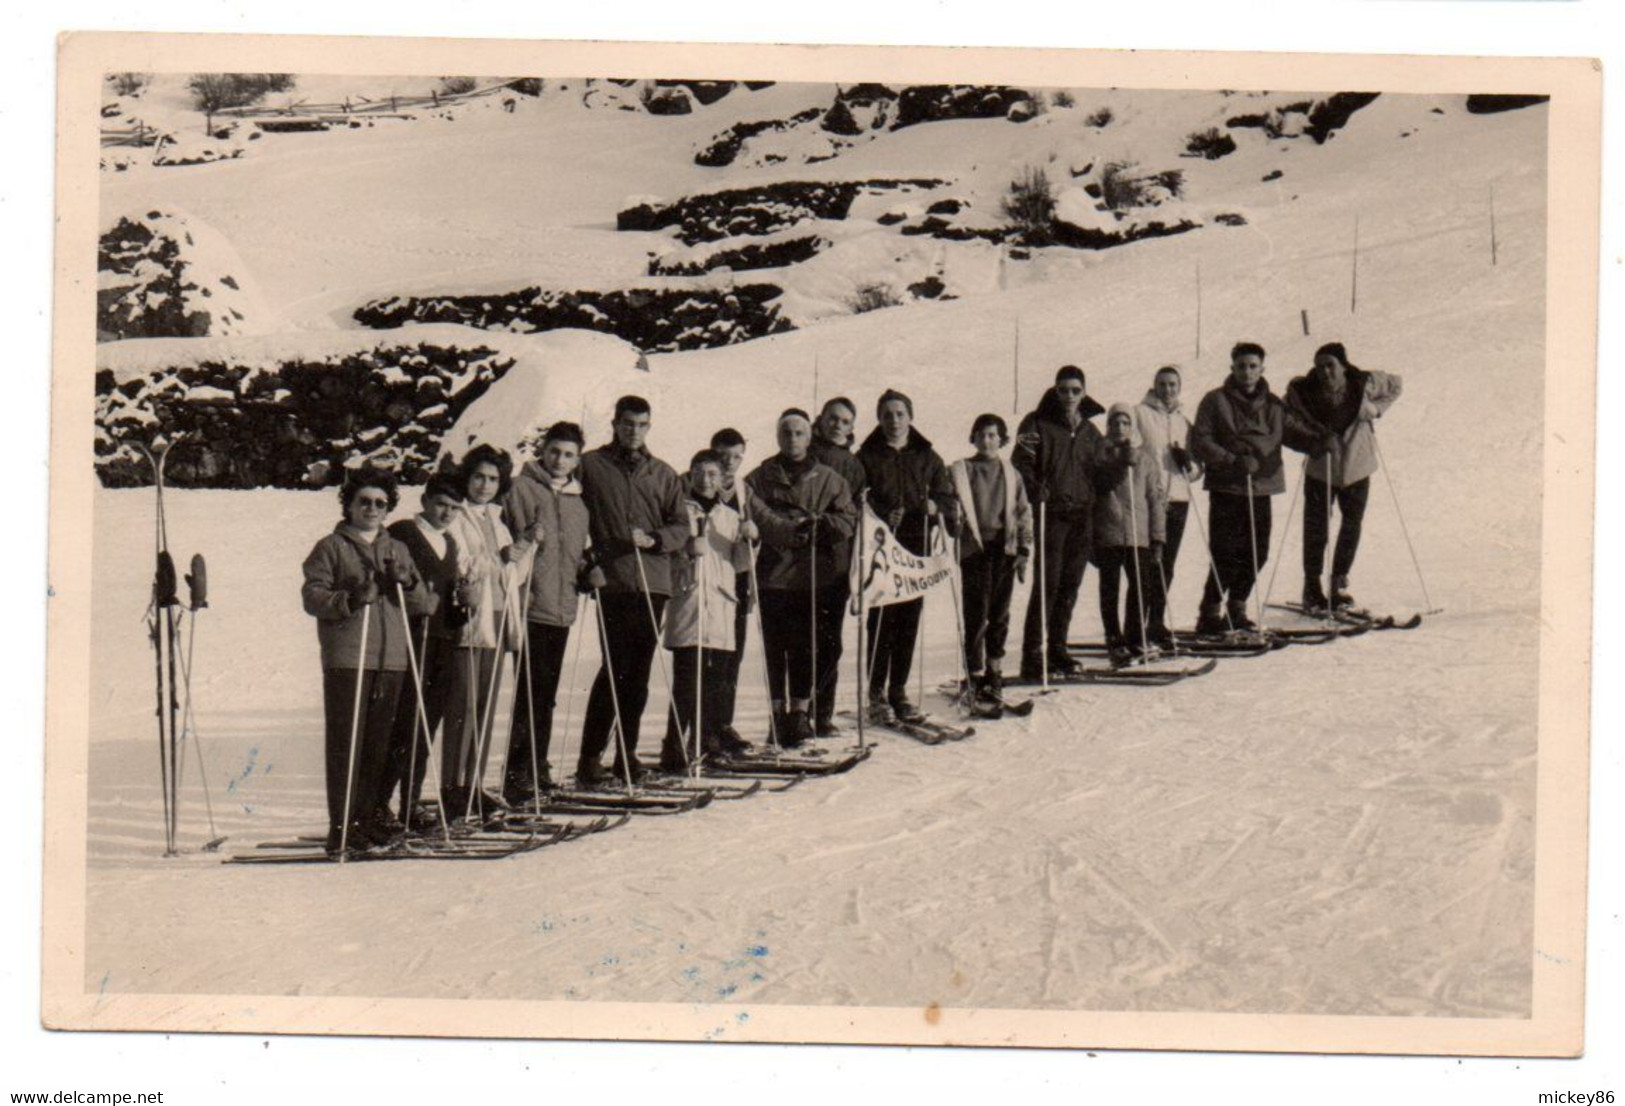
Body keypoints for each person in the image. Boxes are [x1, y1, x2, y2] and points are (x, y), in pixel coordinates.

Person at [300, 466, 420, 857]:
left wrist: (408, 582)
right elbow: (312, 596)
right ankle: (342, 826)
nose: (371, 509)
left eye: (379, 503)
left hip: (391, 657)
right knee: (346, 744)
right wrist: (350, 598)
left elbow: (420, 604)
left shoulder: (397, 549)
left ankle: (366, 821)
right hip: (349, 657)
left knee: (377, 745)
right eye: (363, 502)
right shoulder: (330, 547)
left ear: (389, 509)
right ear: (349, 505)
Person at [575, 396, 689, 786]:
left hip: (653, 582)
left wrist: (655, 540)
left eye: (641, 424)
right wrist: (588, 558)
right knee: (613, 669)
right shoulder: (592, 465)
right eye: (627, 423)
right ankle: (590, 759)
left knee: (638, 674)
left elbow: (681, 526)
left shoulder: (663, 473)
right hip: (615, 581)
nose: (633, 431)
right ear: (615, 423)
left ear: (649, 426)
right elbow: (575, 511)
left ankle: (627, 754)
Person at [746, 409, 858, 743]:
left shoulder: (829, 478)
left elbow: (848, 518)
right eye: (786, 433)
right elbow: (753, 510)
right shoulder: (760, 477)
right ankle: (776, 716)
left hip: (813, 577)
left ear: (810, 437)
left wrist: (823, 525)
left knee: (805, 648)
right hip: (773, 576)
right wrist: (787, 528)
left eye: (799, 433)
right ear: (778, 437)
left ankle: (800, 713)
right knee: (775, 649)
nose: (792, 439)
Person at [1189, 342, 1316, 634]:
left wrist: (1318, 441)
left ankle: (1237, 607)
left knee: (1258, 552)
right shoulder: (1215, 400)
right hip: (1227, 488)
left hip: (1260, 487)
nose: (1247, 372)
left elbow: (1293, 430)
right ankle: (1209, 613)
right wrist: (1231, 460)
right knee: (1225, 552)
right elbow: (1202, 439)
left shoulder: (1273, 404)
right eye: (1242, 366)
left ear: (1262, 369)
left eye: (1253, 366)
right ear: (1232, 368)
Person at [498, 421, 593, 807]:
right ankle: (518, 773)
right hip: (529, 604)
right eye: (554, 451)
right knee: (530, 692)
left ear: (576, 459)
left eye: (569, 454)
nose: (560, 460)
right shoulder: (521, 488)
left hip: (561, 608)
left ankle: (537, 766)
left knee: (546, 694)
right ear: (543, 450)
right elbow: (504, 537)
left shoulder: (577, 501)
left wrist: (587, 570)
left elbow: (576, 551)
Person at [857, 389, 956, 724]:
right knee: (881, 621)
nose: (894, 421)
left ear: (910, 417)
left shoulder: (927, 456)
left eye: (900, 414)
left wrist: (934, 506)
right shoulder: (867, 455)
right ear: (879, 419)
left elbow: (946, 496)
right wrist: (883, 512)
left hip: (915, 549)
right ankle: (875, 692)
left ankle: (898, 689)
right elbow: (859, 498)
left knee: (908, 620)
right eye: (887, 415)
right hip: (883, 550)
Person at [1284, 342, 1404, 612]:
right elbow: (1287, 415)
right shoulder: (1304, 391)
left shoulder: (1363, 383)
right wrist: (1311, 437)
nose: (1325, 372)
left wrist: (1375, 410)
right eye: (1320, 366)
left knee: (1351, 524)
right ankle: (1312, 587)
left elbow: (1396, 384)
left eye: (1331, 365)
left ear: (1343, 365)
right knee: (1316, 528)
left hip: (1357, 465)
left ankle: (1338, 584)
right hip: (1320, 467)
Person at [660, 450, 758, 769]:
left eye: (713, 474)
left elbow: (742, 565)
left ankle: (704, 740)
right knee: (687, 681)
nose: (706, 480)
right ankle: (674, 745)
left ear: (721, 479)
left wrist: (749, 541)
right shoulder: (679, 514)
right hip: (689, 602)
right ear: (690, 475)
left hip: (720, 605)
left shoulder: (730, 518)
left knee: (715, 680)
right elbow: (669, 558)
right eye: (700, 472)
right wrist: (687, 552)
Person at [381, 475, 468, 833]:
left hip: (444, 639)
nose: (446, 513)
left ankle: (410, 804)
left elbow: (450, 593)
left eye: (453, 508)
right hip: (413, 638)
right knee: (403, 723)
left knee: (427, 723)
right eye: (440, 504)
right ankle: (378, 803)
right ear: (426, 500)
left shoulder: (448, 541)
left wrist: (463, 603)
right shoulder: (403, 532)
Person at [440, 443, 523, 819]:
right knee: (463, 705)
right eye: (479, 477)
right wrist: (500, 560)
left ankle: (473, 783)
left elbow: (512, 573)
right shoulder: (457, 516)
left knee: (486, 707)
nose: (485, 485)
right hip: (472, 620)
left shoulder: (498, 519)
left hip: (499, 616)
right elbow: (460, 563)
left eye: (492, 479)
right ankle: (453, 787)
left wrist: (522, 555)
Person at [1013, 365, 1109, 678]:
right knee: (1048, 584)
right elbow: (1020, 461)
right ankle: (1032, 654)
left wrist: (1121, 462)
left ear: (1084, 392)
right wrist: (1034, 487)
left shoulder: (1091, 432)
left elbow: (1101, 474)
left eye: (1075, 390)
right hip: (1051, 513)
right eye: (1063, 390)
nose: (1069, 396)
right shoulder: (1036, 422)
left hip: (1082, 514)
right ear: (1055, 391)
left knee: (1071, 584)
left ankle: (1058, 649)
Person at [949, 414, 1033, 711]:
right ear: (973, 437)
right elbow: (951, 505)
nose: (987, 441)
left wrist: (1024, 548)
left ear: (1002, 440)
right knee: (977, 614)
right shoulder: (961, 470)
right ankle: (974, 673)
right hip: (975, 551)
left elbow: (1023, 512)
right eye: (982, 435)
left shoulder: (1011, 473)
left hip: (1004, 549)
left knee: (1000, 613)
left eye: (993, 435)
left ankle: (994, 670)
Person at [807, 397, 868, 735]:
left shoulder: (854, 465)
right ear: (821, 420)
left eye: (845, 421)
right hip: (802, 563)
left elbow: (860, 510)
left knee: (830, 640)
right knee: (803, 640)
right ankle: (796, 713)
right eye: (832, 418)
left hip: (837, 564)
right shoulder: (807, 452)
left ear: (851, 427)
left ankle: (822, 713)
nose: (837, 425)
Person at [1094, 403, 1169, 661]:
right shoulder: (1099, 455)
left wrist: (1157, 536)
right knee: (1110, 587)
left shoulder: (1144, 459)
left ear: (1132, 427)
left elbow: (1155, 499)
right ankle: (1114, 638)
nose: (1119, 428)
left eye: (1125, 423)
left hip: (1139, 533)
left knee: (1140, 586)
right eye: (1114, 423)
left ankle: (1135, 635)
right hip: (1110, 532)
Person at [1135, 365, 1201, 643]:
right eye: (1162, 384)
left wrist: (1188, 462)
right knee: (1148, 561)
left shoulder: (1185, 422)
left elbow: (1196, 470)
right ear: (1154, 386)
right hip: (1150, 498)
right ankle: (1137, 621)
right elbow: (1133, 449)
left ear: (1179, 387)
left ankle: (1157, 621)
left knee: (1167, 563)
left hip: (1178, 498)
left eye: (1173, 384)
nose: (1167, 389)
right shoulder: (1140, 414)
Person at [709, 427, 753, 749]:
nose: (730, 463)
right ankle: (702, 729)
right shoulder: (699, 481)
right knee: (708, 657)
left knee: (732, 655)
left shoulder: (743, 489)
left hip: (736, 580)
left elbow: (762, 522)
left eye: (737, 457)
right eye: (724, 456)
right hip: (709, 579)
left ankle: (723, 723)